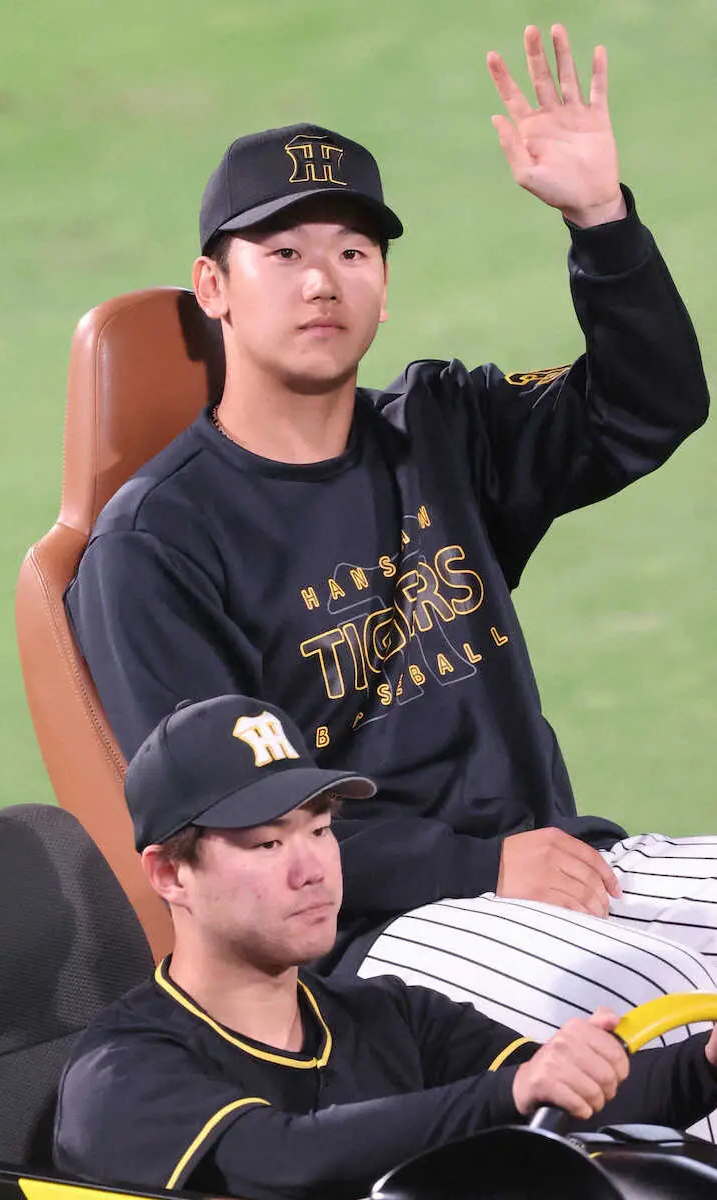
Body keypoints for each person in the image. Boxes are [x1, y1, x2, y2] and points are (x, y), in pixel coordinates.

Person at [64, 23, 717, 1131]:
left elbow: (649, 405)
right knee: (666, 1036)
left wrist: (598, 222)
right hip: (385, 945)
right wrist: (477, 862)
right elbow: (228, 828)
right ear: (212, 287)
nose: (322, 279)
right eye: (282, 252)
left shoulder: (439, 430)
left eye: (354, 252)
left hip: (564, 863)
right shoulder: (152, 546)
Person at [52, 696, 717, 1200]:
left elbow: (580, 1097)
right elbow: (279, 1162)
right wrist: (509, 1093)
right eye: (268, 843)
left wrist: (706, 1064)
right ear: (170, 873)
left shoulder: (392, 1017)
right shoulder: (120, 1073)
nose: (311, 867)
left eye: (319, 830)